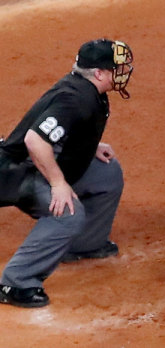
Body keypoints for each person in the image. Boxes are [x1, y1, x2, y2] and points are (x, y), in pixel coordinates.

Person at [0, 38, 134, 309]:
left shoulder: (89, 90)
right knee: (67, 213)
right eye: (116, 68)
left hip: (32, 164)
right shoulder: (75, 99)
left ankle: (84, 244)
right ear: (99, 73)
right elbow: (35, 141)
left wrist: (90, 147)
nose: (123, 72)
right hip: (15, 172)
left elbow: (64, 130)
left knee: (106, 174)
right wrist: (58, 183)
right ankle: (15, 283)